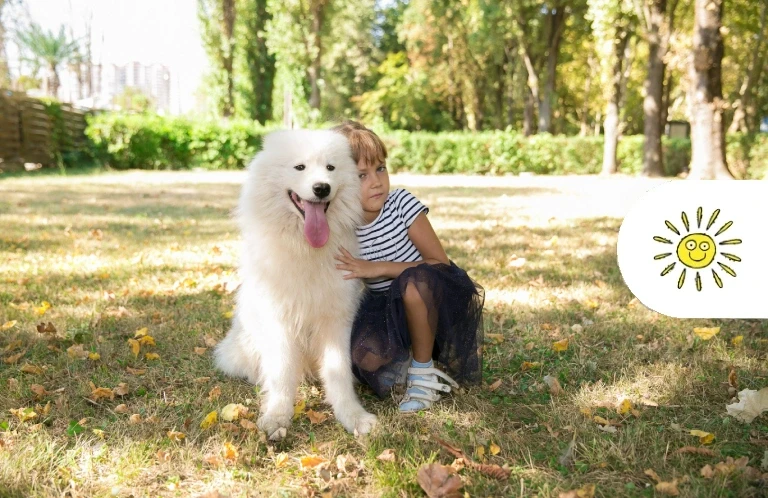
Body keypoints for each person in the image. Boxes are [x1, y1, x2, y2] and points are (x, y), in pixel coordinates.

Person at [332, 120, 485, 413]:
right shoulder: (344, 225)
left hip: (432, 299)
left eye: (380, 168)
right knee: (364, 360)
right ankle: (409, 359)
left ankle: (423, 374)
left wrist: (377, 268)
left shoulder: (401, 203)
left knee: (415, 284)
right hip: (388, 312)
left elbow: (438, 263)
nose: (376, 181)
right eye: (361, 175)